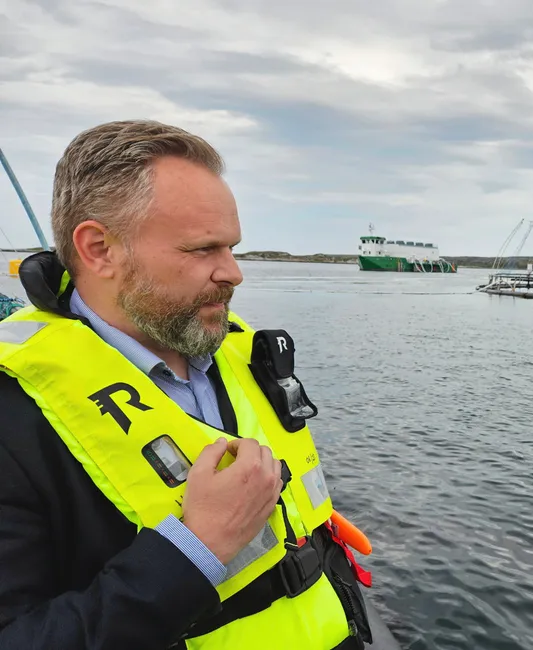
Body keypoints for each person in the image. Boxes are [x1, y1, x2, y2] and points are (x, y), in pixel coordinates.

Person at [0, 120, 374, 649]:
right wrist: (193, 548)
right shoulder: (14, 410)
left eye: (232, 247)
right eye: (203, 250)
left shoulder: (242, 353)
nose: (234, 272)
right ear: (99, 248)